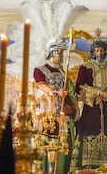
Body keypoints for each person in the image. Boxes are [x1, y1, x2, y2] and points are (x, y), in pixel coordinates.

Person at [71, 38, 107, 170]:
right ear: (93, 52)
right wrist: (98, 93)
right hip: (91, 107)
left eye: (101, 50)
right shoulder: (85, 68)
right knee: (90, 130)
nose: (99, 53)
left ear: (105, 52)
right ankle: (89, 162)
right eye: (97, 50)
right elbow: (80, 87)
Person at [33, 38, 78, 174]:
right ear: (53, 53)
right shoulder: (40, 70)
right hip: (47, 116)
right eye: (60, 52)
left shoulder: (63, 74)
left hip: (62, 116)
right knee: (48, 149)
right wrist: (56, 92)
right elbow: (42, 86)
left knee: (64, 149)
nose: (62, 55)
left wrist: (71, 104)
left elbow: (69, 93)